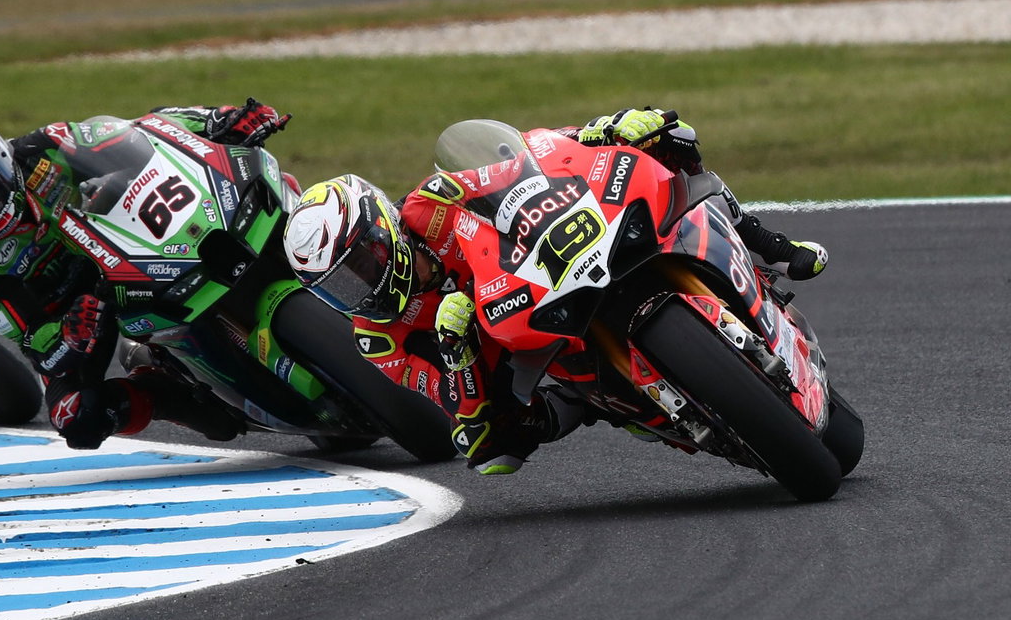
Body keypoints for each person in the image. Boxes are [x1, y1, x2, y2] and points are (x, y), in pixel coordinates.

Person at [281, 107, 829, 474]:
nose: (360, 287)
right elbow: (460, 415)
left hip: (551, 272)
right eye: (338, 287)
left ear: (383, 230)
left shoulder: (431, 204)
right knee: (494, 448)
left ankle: (770, 243)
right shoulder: (380, 338)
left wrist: (600, 131)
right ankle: (626, 402)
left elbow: (524, 161)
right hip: (527, 361)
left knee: (666, 145)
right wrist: (457, 351)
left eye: (360, 264)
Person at [0, 99, 290, 450]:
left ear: (1, 155)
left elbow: (146, 130)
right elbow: (30, 337)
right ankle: (180, 393)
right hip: (79, 308)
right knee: (76, 417)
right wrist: (66, 336)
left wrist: (217, 120)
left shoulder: (47, 146)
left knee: (260, 180)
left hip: (136, 248)